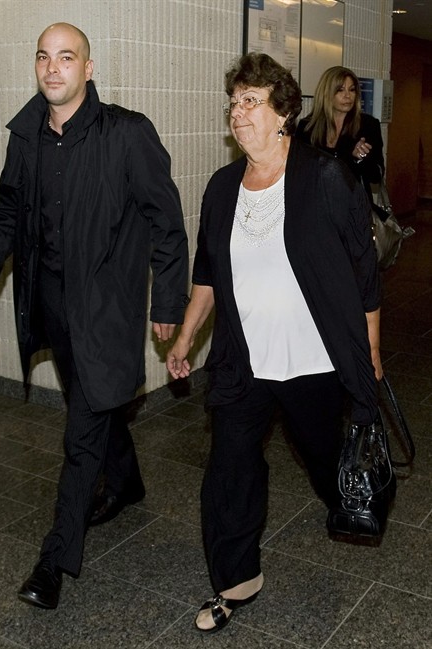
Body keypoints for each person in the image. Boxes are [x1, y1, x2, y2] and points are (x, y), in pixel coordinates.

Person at [0, 22, 189, 609]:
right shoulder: (27, 136)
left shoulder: (127, 135)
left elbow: (167, 222)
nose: (53, 67)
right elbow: (8, 211)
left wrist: (167, 301)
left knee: (79, 433)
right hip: (51, 305)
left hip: (106, 310)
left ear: (88, 68)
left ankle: (52, 562)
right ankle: (129, 483)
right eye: (44, 57)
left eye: (67, 57)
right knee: (94, 403)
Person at [166, 52, 382, 634]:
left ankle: (351, 490)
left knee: (325, 459)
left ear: (283, 112)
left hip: (314, 361)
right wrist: (186, 335)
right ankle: (236, 580)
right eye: (234, 103)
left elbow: (364, 271)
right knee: (229, 468)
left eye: (252, 101)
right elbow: (208, 273)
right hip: (243, 360)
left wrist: (371, 355)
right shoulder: (220, 188)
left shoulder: (325, 176)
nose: (239, 113)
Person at [295, 65, 384, 202]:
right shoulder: (307, 127)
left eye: (352, 90)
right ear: (327, 94)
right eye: (340, 90)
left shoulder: (368, 125)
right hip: (318, 205)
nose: (347, 95)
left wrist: (360, 158)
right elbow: (299, 172)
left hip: (353, 207)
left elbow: (376, 176)